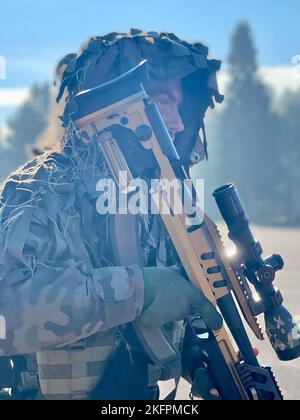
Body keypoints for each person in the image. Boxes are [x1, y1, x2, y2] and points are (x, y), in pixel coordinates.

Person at [0, 30, 225, 400]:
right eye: (164, 102)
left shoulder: (155, 204)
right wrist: (139, 290)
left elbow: (156, 317)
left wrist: (195, 359)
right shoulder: (39, 189)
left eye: (181, 106)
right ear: (120, 103)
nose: (179, 124)